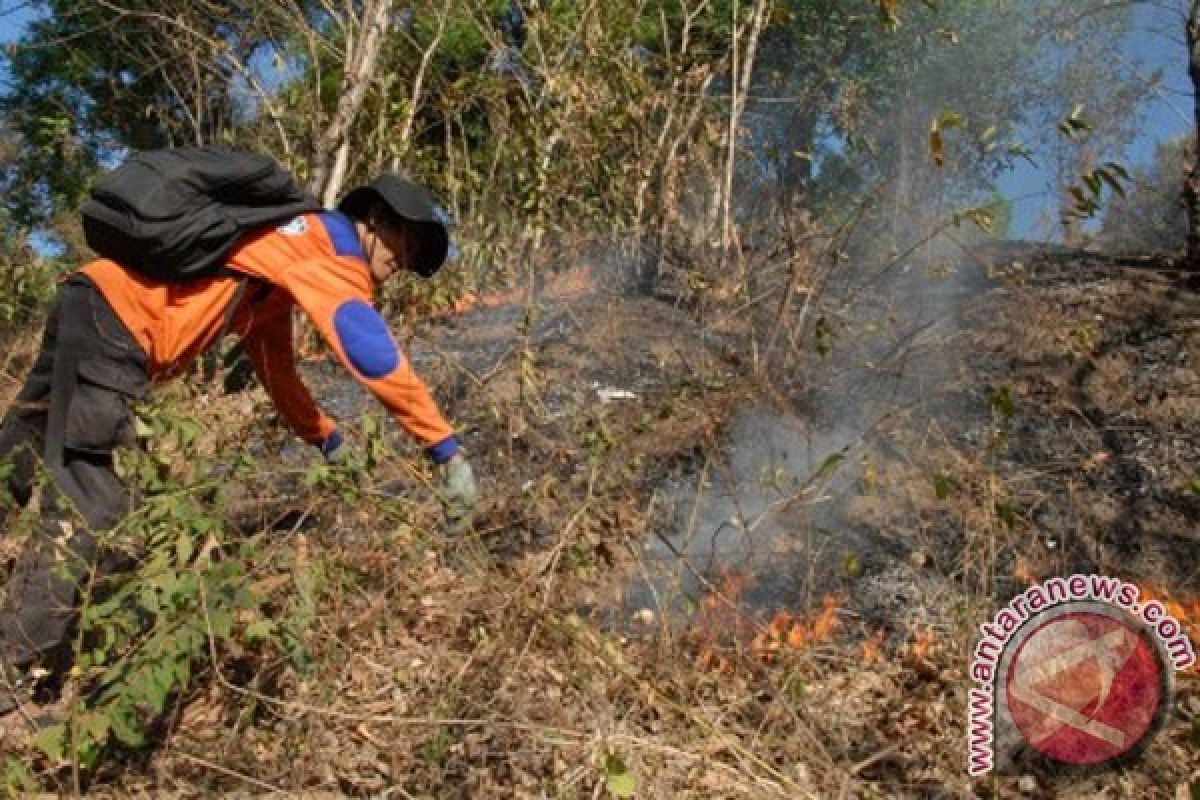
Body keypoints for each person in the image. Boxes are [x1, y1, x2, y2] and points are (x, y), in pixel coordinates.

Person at [0, 173, 478, 715]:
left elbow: (275, 366)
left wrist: (326, 438)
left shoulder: (282, 253)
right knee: (95, 506)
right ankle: (10, 665)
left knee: (22, 444)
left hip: (92, 296)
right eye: (404, 243)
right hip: (121, 322)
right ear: (376, 222)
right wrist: (445, 449)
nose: (403, 262)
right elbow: (369, 349)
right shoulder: (330, 249)